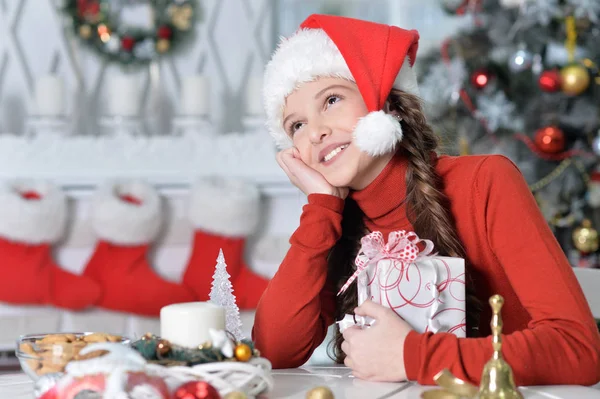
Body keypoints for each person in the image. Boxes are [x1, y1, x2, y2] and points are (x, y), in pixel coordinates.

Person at [252, 13, 600, 386]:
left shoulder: (485, 181)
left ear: (385, 104)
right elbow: (275, 351)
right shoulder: (333, 223)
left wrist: (412, 356)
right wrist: (321, 206)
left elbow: (579, 350)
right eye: (297, 126)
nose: (316, 132)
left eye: (332, 100)